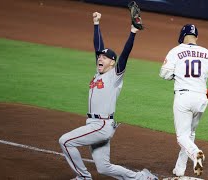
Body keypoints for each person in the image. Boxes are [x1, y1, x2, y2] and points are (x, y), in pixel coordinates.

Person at [59, 12, 158, 180]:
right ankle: (142, 177)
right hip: (95, 123)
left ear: (112, 62)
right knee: (104, 167)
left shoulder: (115, 75)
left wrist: (133, 32)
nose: (100, 58)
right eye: (99, 57)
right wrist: (96, 23)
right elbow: (98, 47)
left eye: (105, 57)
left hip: (101, 125)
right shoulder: (98, 73)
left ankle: (83, 177)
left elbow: (125, 55)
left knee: (65, 141)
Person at [159, 24, 208, 177]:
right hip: (201, 98)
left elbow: (164, 74)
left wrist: (176, 75)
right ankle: (179, 169)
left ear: (182, 36)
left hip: (184, 97)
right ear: (197, 38)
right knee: (190, 134)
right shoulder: (207, 53)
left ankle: (196, 154)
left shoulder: (176, 51)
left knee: (182, 136)